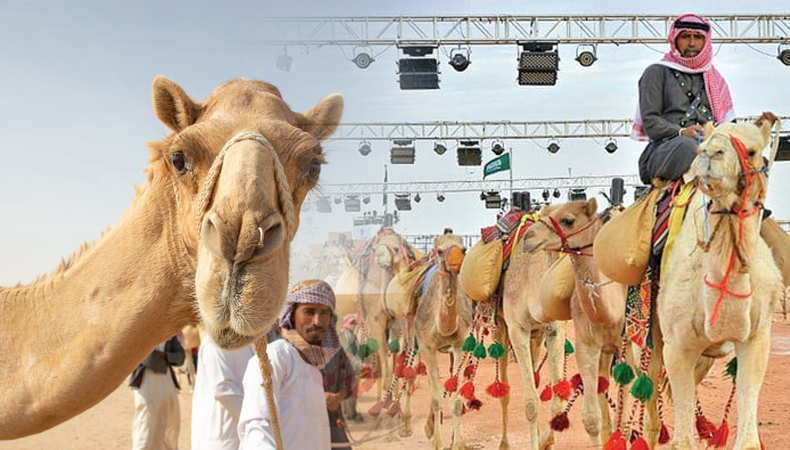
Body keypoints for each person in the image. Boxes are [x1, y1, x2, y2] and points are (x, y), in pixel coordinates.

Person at [632, 13, 735, 186]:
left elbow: (730, 125)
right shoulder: (656, 72)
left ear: (706, 41)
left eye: (698, 37)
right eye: (686, 37)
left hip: (711, 151)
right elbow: (651, 123)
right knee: (690, 147)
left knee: (752, 159)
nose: (692, 43)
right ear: (675, 39)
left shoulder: (716, 79)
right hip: (667, 151)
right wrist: (682, 132)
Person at [238, 279, 341, 450]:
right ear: (292, 314)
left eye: (324, 313)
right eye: (309, 312)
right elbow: (255, 425)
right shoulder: (276, 356)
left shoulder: (315, 366)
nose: (317, 321)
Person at [191, 335, 255, 450]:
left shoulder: (247, 344)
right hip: (219, 438)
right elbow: (222, 389)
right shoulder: (215, 341)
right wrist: (255, 414)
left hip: (239, 434)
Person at [129, 335, 186, 450]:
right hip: (148, 384)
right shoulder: (143, 330)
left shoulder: (170, 332)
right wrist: (169, 360)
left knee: (169, 432)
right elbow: (149, 359)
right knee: (145, 432)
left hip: (167, 383)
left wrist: (164, 355)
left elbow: (181, 357)